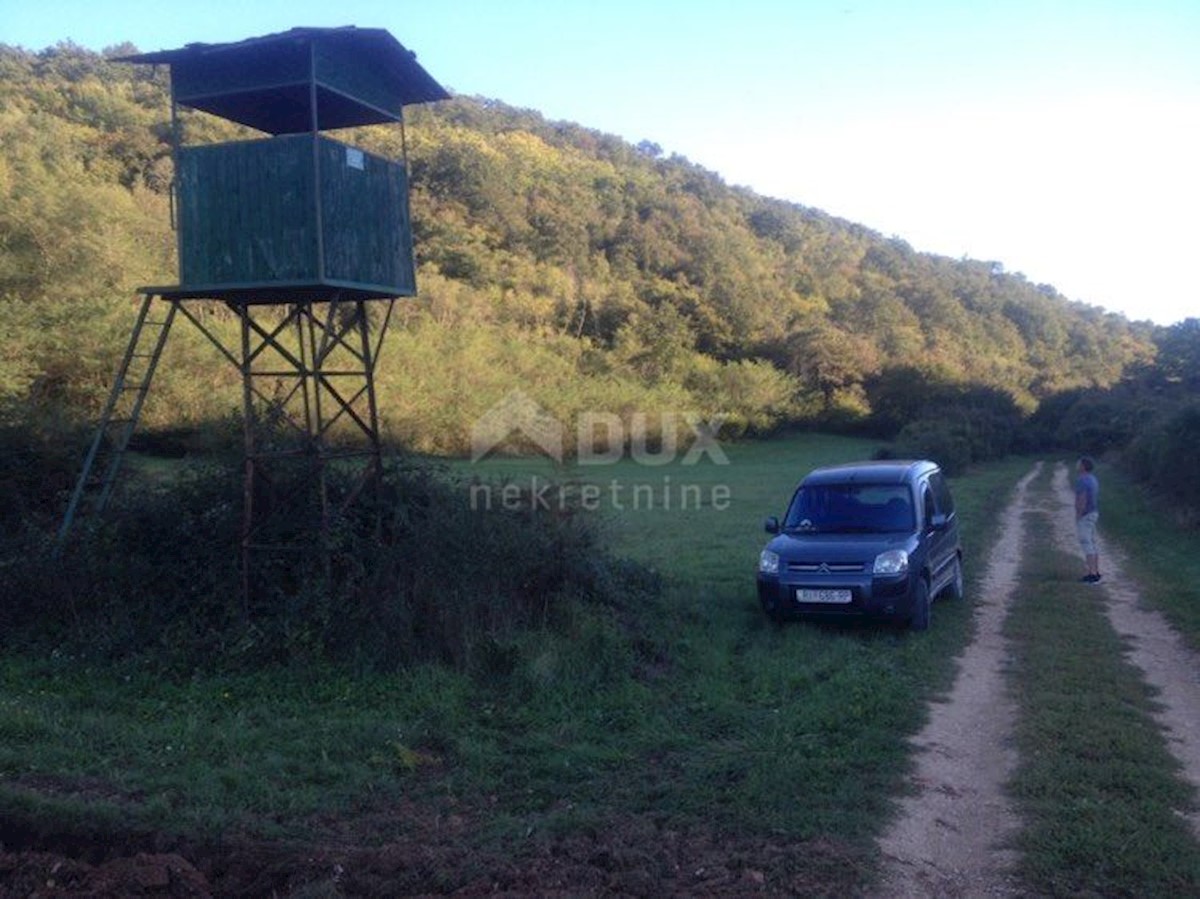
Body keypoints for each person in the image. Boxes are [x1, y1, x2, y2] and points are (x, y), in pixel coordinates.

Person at [1074, 456, 1101, 583]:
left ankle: (1092, 574)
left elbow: (1082, 499)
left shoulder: (1082, 480)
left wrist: (1079, 515)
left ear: (1083, 466)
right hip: (1094, 512)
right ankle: (1096, 571)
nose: (1076, 465)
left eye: (1078, 463)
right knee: (1092, 542)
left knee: (1086, 543)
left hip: (1085, 514)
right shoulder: (1092, 479)